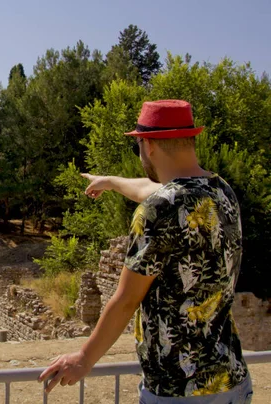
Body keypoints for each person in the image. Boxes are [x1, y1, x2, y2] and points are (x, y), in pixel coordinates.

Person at [38, 100, 252, 403]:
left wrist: (83, 358)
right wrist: (111, 182)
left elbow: (126, 300)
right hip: (232, 382)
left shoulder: (158, 210)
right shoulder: (220, 190)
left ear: (148, 145)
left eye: (138, 144)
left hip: (179, 391)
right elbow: (155, 190)